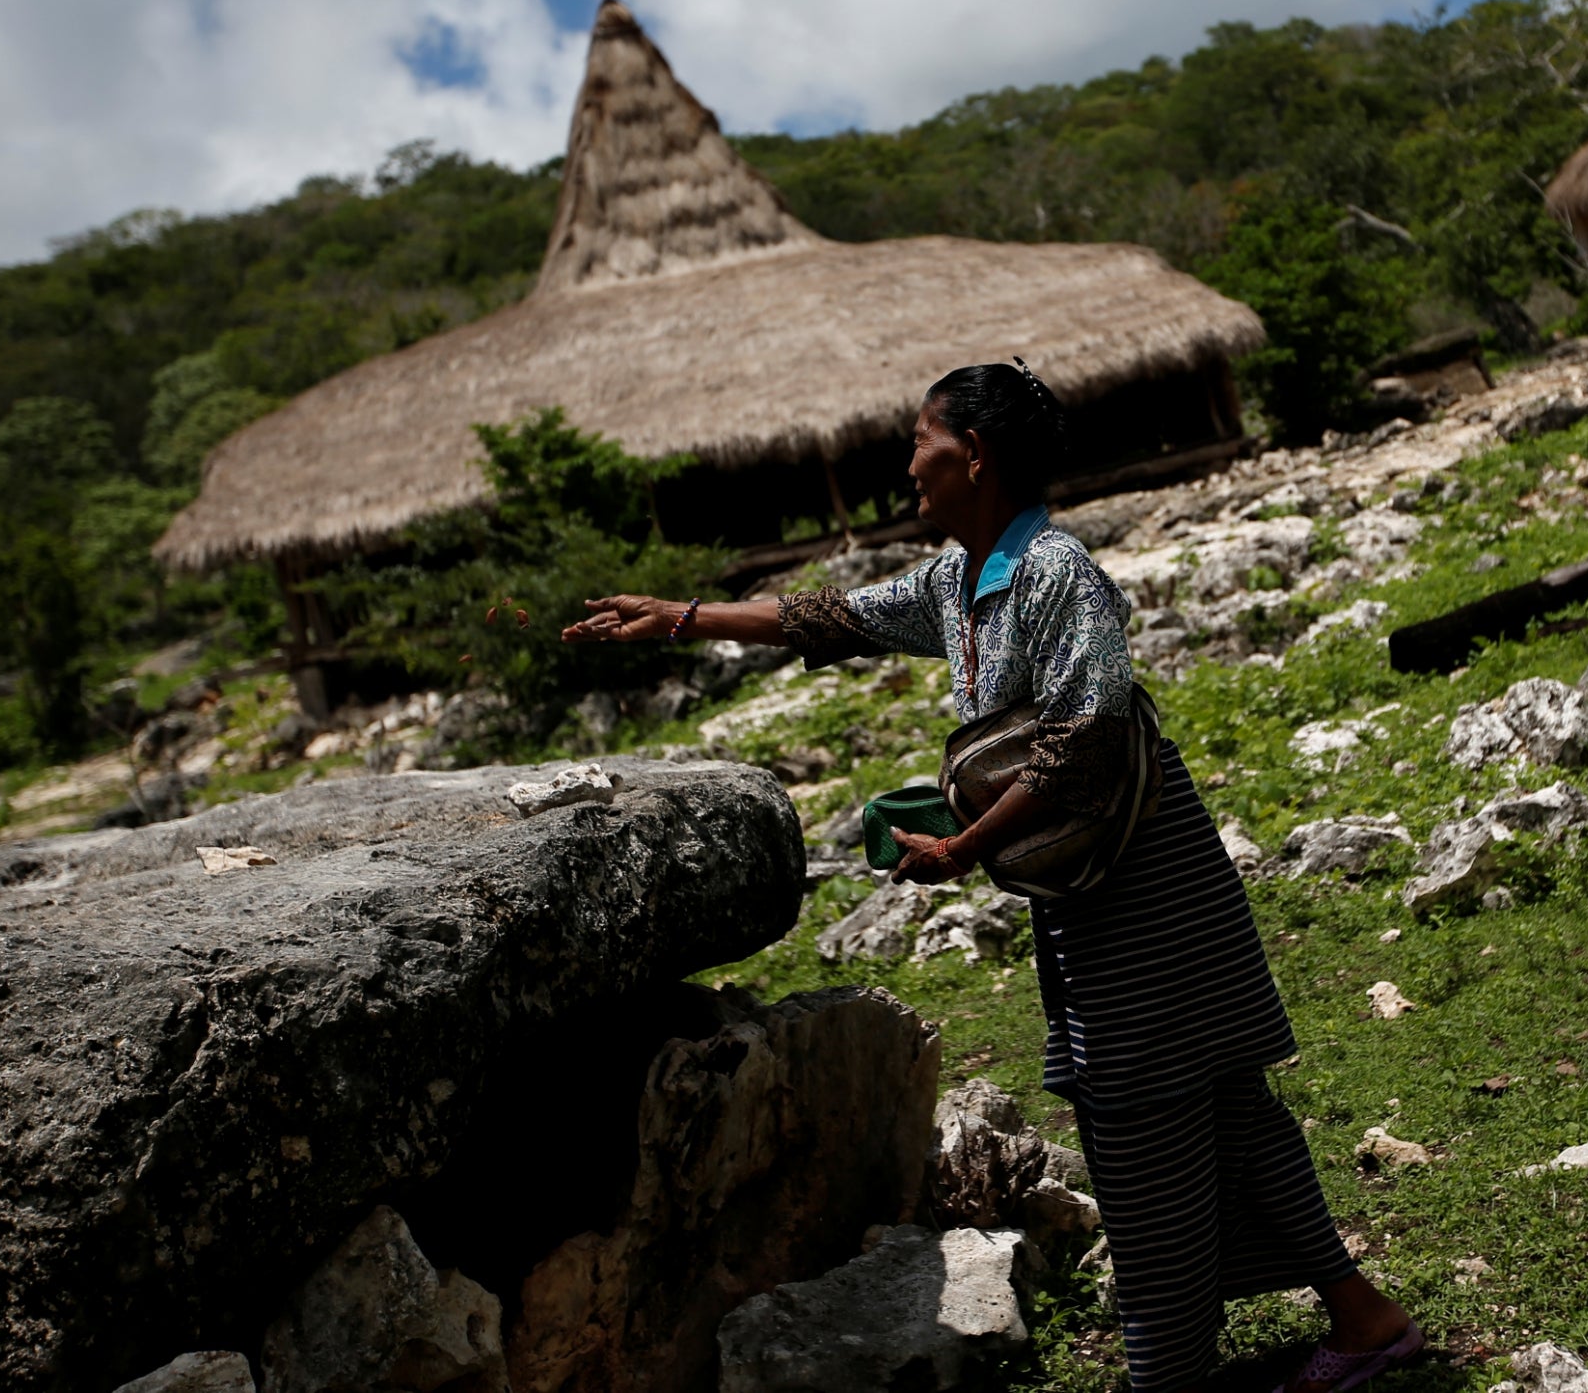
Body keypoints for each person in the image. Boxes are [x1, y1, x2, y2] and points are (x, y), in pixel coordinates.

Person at [565, 361, 1420, 1393]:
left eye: (918, 439)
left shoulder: (1059, 571)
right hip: (1087, 888)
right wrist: (683, 614)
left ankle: (1168, 1372)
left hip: (1148, 885)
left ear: (971, 453)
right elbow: (828, 616)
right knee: (1224, 1111)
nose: (905, 460)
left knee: (1142, 1128)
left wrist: (963, 849)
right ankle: (1364, 1321)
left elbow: (1087, 741)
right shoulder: (955, 583)